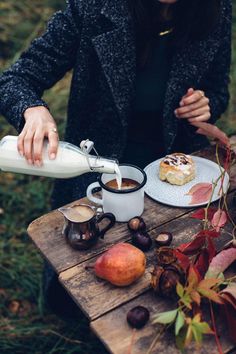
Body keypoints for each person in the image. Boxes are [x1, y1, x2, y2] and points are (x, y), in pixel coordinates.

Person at [0, 0, 232, 317]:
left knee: (171, 285)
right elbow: (15, 80)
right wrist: (32, 109)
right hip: (96, 166)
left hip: (177, 173)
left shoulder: (215, 11)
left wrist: (206, 104)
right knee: (80, 295)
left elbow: (218, 89)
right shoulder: (94, 7)